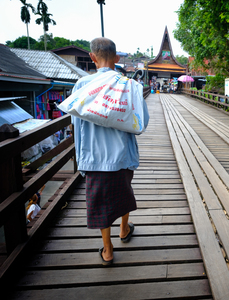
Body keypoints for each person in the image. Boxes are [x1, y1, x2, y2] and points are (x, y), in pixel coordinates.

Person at [71, 37, 149, 266]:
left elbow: (77, 126)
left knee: (100, 203)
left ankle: (107, 250)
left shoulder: (81, 86)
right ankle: (124, 229)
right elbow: (141, 124)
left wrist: (80, 159)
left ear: (92, 57)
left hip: (94, 157)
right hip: (123, 154)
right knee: (124, 192)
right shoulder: (132, 86)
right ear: (116, 59)